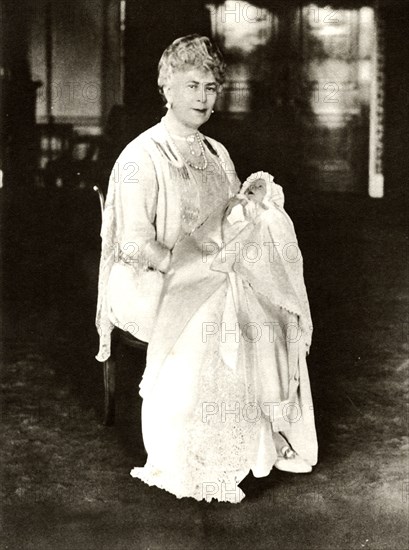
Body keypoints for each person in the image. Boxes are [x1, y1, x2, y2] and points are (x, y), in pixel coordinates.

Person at [96, 35, 318, 503]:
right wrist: (193, 270)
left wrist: (252, 211)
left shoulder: (216, 153)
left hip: (210, 272)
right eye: (192, 85)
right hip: (148, 276)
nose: (202, 97)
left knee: (267, 307)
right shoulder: (141, 155)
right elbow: (134, 243)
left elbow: (231, 223)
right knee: (217, 311)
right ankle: (196, 456)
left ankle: (258, 445)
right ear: (167, 88)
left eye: (211, 88)